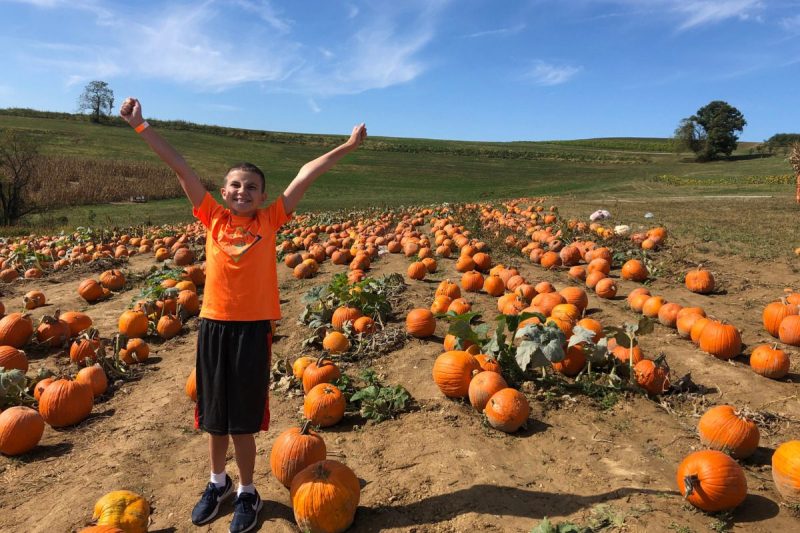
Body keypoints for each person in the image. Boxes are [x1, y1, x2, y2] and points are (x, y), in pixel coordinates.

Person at [120, 97, 366, 533]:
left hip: (252, 330)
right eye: (235, 185)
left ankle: (248, 491)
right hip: (213, 326)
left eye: (251, 187)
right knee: (214, 415)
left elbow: (307, 173)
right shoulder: (211, 216)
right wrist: (141, 126)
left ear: (264, 197)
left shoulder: (270, 220)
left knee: (244, 420)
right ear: (224, 189)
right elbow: (180, 167)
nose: (241, 192)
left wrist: (346, 147)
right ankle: (219, 483)